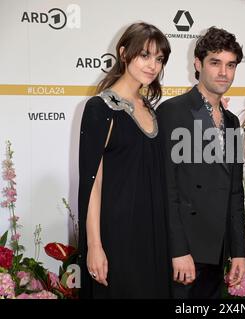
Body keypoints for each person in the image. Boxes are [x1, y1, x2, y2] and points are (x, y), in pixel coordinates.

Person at [77, 22, 172, 298]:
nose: (152, 65)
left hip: (153, 231)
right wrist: (95, 245)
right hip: (117, 233)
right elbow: (93, 183)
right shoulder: (100, 108)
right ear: (123, 53)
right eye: (145, 55)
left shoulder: (151, 109)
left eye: (159, 59)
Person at [156, 26, 245, 299]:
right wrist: (178, 250)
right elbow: (167, 188)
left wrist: (239, 252)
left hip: (217, 252)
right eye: (215, 63)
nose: (224, 72)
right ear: (198, 64)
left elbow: (234, 192)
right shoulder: (172, 112)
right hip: (184, 253)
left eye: (230, 65)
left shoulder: (232, 122)